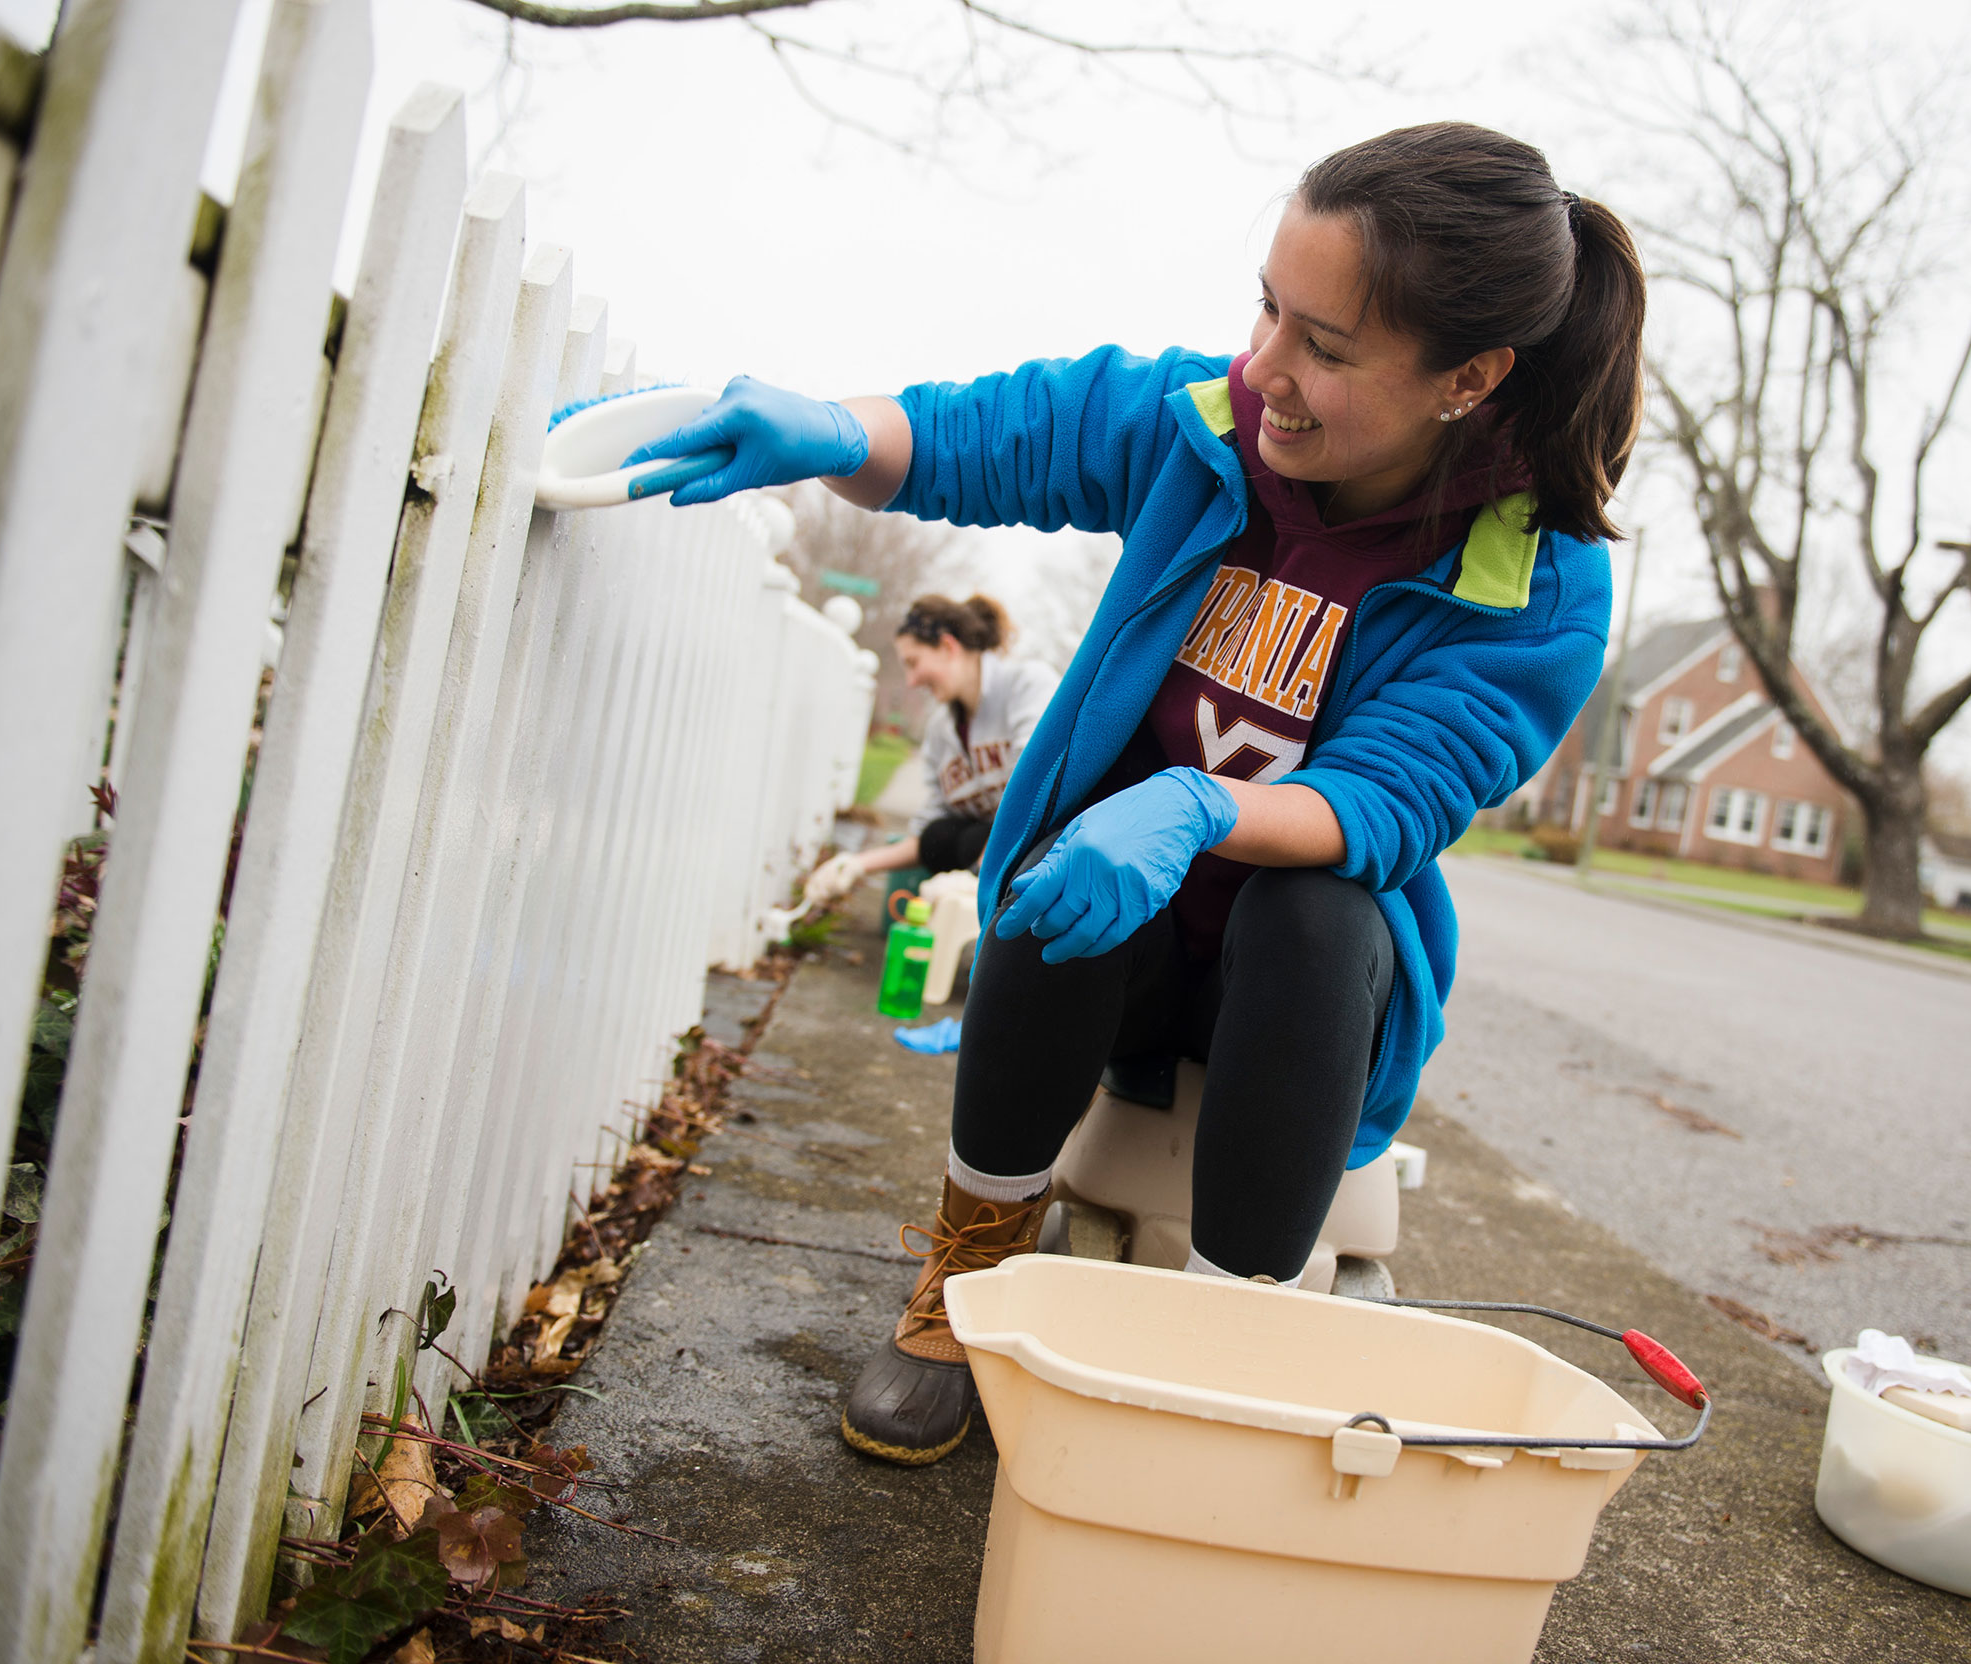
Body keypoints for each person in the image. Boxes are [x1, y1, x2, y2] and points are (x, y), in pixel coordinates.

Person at [625, 122, 1643, 1466]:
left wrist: (1196, 812)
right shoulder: (1203, 421)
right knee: (1063, 869)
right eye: (1268, 308)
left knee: (1327, 909)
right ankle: (969, 1272)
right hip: (1124, 956)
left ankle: (1226, 1343)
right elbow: (986, 438)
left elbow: (1393, 795)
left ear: (1471, 378)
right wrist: (830, 432)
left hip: (1296, 1007)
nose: (1263, 366)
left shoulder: (1539, 582)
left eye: (1325, 348)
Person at [803, 593, 1055, 908]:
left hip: (1048, 848)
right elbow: (927, 831)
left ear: (948, 646)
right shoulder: (941, 730)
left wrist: (979, 871)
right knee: (939, 836)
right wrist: (856, 865)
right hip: (993, 853)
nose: (910, 681)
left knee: (976, 840)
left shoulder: (1025, 684)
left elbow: (1035, 784)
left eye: (913, 662)